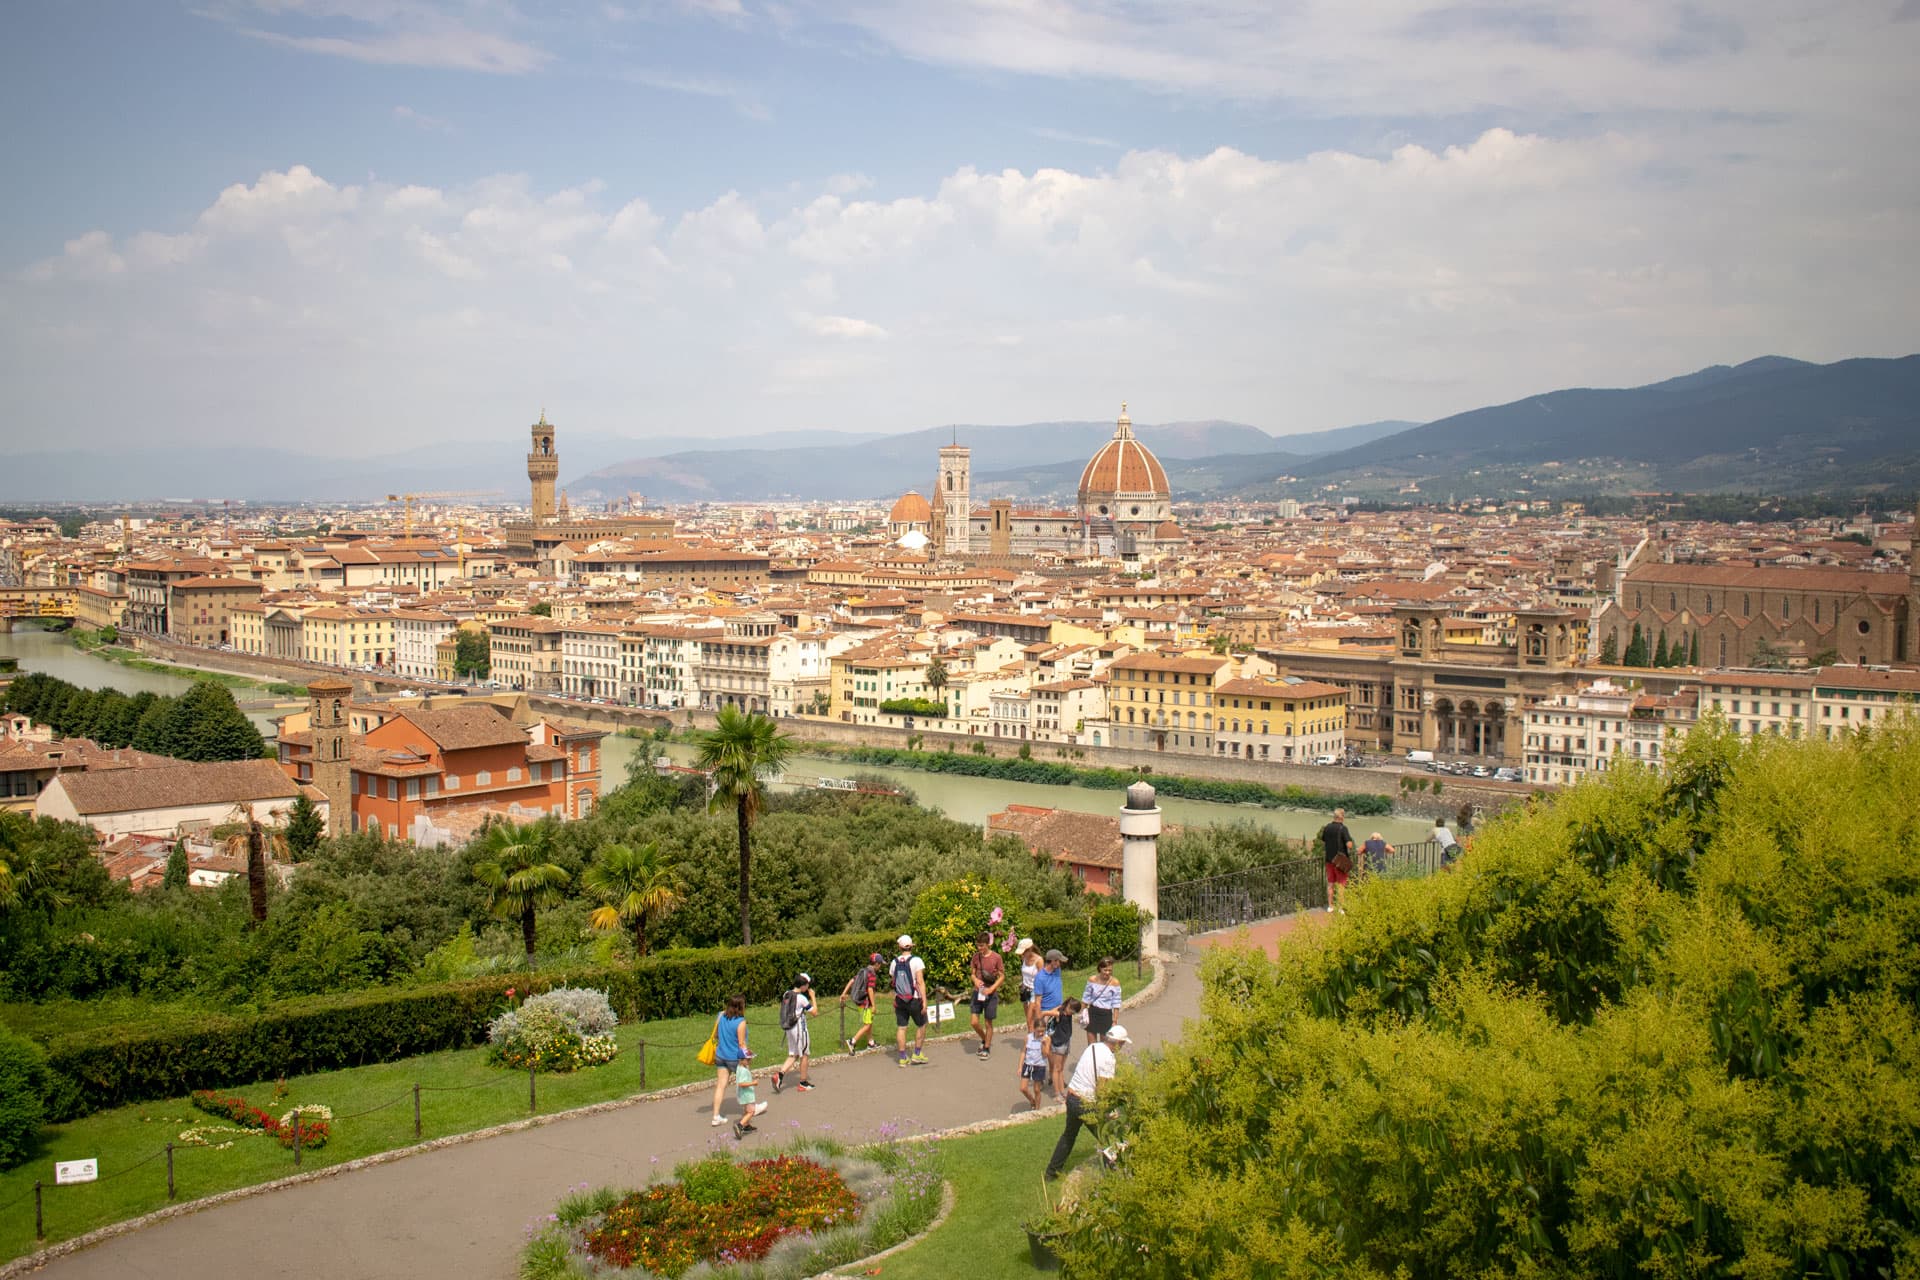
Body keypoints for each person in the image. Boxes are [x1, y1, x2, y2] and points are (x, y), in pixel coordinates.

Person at [1045, 1024, 1130, 1180]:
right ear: (1117, 1043)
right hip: (1086, 1104)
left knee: (1068, 1136)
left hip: (1072, 1097)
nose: (1122, 1048)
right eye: (1122, 1044)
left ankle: (1051, 1173)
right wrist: (1108, 1111)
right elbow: (1102, 1089)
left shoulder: (1093, 1047)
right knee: (1108, 1138)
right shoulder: (1109, 1059)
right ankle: (1112, 1175)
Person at [1029, 948, 1068, 1098]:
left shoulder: (1057, 971)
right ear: (1052, 961)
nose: (1060, 964)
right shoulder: (1040, 978)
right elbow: (1037, 1002)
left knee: (1059, 1047)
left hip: (1059, 1012)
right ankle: (1052, 1078)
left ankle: (1055, 1076)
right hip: (1047, 1015)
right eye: (1058, 961)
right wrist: (1039, 1022)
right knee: (1049, 1050)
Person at [709, 993, 751, 1126]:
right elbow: (741, 1044)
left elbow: (715, 1035)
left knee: (721, 1085)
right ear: (741, 1006)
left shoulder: (721, 1015)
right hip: (735, 1058)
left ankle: (716, 1116)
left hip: (721, 1055)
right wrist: (747, 1058)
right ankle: (750, 1110)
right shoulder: (741, 1022)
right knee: (745, 1085)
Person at [773, 972, 816, 1094]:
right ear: (803, 985)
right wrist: (813, 997)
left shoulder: (786, 994)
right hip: (799, 1029)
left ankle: (779, 1075)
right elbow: (814, 1012)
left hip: (789, 1028)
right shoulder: (802, 998)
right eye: (807, 985)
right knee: (804, 1054)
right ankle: (803, 1082)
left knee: (794, 1054)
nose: (808, 987)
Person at [890, 934, 929, 1067]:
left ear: (899, 947)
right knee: (922, 1024)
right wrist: (924, 1001)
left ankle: (902, 1058)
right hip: (914, 999)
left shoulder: (894, 962)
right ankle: (917, 1054)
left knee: (902, 1027)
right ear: (911, 946)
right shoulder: (916, 961)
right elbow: (920, 981)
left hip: (899, 999)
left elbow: (893, 981)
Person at [968, 931, 1006, 1059]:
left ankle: (987, 1047)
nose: (979, 948)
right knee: (974, 1022)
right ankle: (985, 1039)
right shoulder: (975, 957)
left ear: (988, 944)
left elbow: (1002, 976)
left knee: (988, 1022)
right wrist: (975, 980)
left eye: (982, 945)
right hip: (977, 992)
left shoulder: (996, 957)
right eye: (978, 945)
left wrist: (992, 989)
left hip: (990, 993)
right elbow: (972, 973)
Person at [839, 952, 881, 1054]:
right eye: (880, 964)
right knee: (867, 1024)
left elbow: (852, 980)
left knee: (869, 1022)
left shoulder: (863, 971)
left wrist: (844, 993)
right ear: (876, 964)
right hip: (866, 1003)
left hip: (859, 1001)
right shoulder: (872, 974)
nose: (880, 966)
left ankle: (870, 1042)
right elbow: (870, 989)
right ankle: (852, 1041)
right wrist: (874, 1005)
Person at [1319, 806, 1355, 914]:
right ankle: (1340, 908)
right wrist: (1349, 842)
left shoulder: (1327, 827)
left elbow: (1324, 840)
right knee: (1341, 885)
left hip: (1329, 860)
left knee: (1330, 884)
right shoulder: (1343, 828)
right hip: (1340, 861)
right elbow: (1349, 845)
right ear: (1342, 817)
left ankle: (1330, 907)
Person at [1081, 957, 1123, 1047]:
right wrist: (1082, 1013)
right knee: (1092, 1046)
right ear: (1100, 968)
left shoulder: (1115, 982)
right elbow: (1086, 998)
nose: (1107, 973)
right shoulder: (1092, 980)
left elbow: (1116, 1003)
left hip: (1106, 1015)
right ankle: (1092, 1060)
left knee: (1105, 1045)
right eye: (1105, 970)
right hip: (1093, 1013)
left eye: (1110, 970)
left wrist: (1114, 1021)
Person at [1017, 1023, 1050, 1110]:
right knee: (1023, 1088)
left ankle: (1037, 1109)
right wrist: (1020, 1066)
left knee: (1036, 1090)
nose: (1040, 1033)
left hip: (1039, 1066)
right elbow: (1023, 1052)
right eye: (1039, 1031)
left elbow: (1046, 1055)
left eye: (1042, 1031)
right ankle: (1032, 1100)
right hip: (1028, 1065)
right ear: (1034, 1029)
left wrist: (1044, 1044)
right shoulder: (1028, 1037)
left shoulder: (1046, 1038)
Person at [731, 1061, 769, 1138]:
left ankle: (746, 1126)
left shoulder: (739, 1067)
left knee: (746, 1111)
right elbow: (741, 1084)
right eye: (748, 1059)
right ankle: (740, 1125)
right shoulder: (744, 1071)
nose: (750, 1061)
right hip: (747, 1095)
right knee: (751, 1111)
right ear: (741, 1060)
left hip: (742, 1095)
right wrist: (753, 1083)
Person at [1016, 937, 1039, 1007]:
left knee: (1035, 1016)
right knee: (1028, 1017)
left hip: (1035, 991)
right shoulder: (1024, 958)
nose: (1022, 954)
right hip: (1025, 990)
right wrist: (1023, 982)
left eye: (1024, 951)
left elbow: (1042, 978)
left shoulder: (1039, 960)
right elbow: (1024, 972)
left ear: (1030, 949)